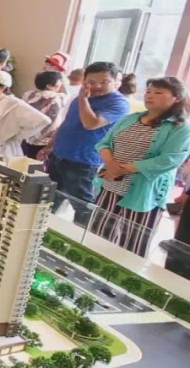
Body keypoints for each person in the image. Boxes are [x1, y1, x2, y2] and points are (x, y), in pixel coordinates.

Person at [91, 77, 190, 256]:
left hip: (144, 192)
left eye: (158, 92)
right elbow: (104, 143)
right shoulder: (130, 118)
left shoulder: (181, 127)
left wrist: (124, 169)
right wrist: (111, 165)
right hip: (111, 183)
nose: (149, 96)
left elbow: (170, 159)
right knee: (99, 233)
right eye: (148, 91)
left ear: (176, 98)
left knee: (133, 243)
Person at [49, 62, 130, 225]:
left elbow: (90, 123)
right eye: (92, 82)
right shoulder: (81, 98)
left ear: (116, 82)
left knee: (82, 205)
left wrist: (83, 99)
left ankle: (81, 236)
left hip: (83, 161)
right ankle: (44, 230)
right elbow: (68, 123)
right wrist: (50, 144)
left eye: (105, 82)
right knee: (50, 199)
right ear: (84, 81)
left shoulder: (118, 103)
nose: (97, 86)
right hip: (59, 155)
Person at [20, 71, 68, 159]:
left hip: (26, 137)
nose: (61, 83)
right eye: (60, 81)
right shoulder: (57, 98)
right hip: (45, 141)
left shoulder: (29, 95)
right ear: (49, 85)